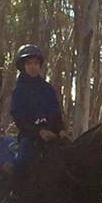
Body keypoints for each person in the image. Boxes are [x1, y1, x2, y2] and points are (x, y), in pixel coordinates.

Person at [8, 44, 65, 183]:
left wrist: (61, 129)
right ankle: (15, 196)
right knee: (21, 162)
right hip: (30, 137)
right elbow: (19, 118)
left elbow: (56, 111)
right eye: (29, 64)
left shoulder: (47, 89)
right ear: (23, 66)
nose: (33, 67)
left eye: (36, 63)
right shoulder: (19, 91)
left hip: (52, 135)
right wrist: (38, 132)